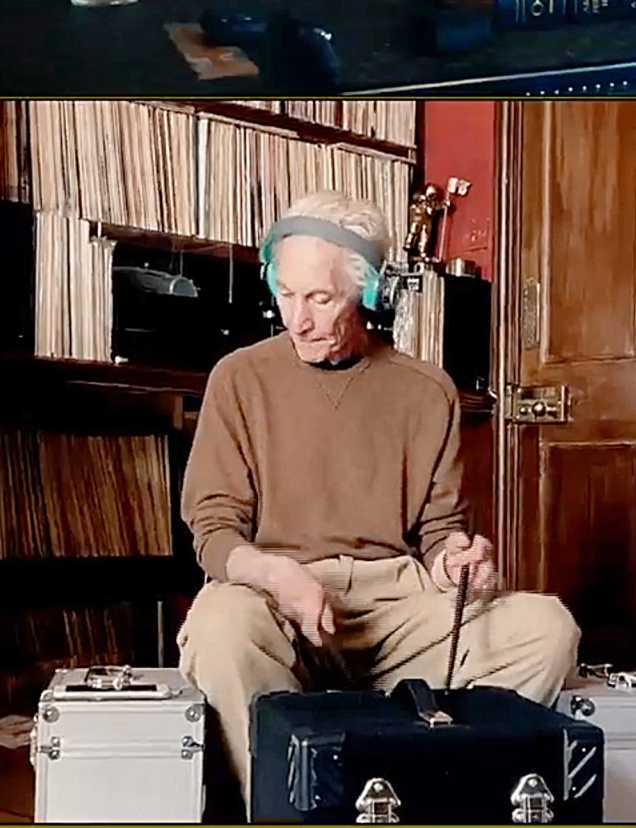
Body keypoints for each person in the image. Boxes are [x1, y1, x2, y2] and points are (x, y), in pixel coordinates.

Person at [175, 191, 581, 803]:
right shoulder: (239, 377)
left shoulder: (427, 391)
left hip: (397, 604)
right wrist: (277, 575)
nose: (298, 319)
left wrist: (457, 561)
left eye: (320, 298)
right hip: (276, 599)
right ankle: (284, 805)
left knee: (547, 628)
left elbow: (440, 529)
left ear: (370, 293)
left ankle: (426, 795)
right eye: (285, 293)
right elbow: (214, 531)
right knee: (218, 626)